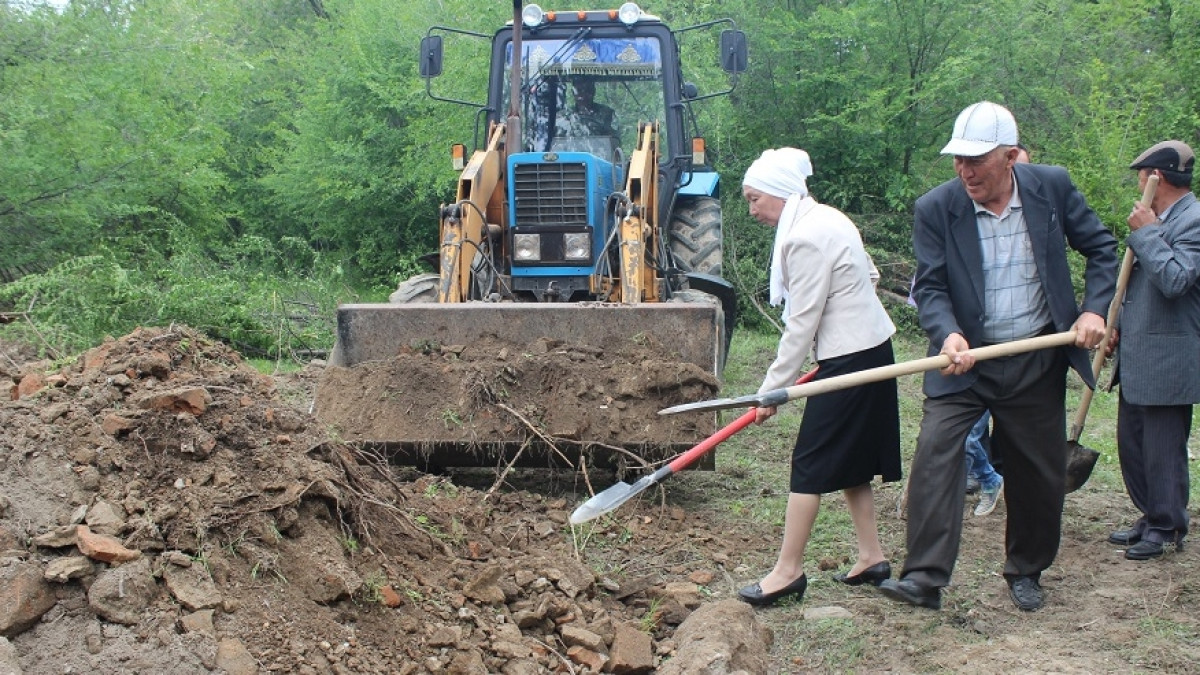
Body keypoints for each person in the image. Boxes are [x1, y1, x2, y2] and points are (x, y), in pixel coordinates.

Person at [879, 101, 1117, 612]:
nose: (965, 172)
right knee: (937, 453)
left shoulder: (1051, 189)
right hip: (964, 361)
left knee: (1037, 470)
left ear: (1010, 156)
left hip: (1035, 356)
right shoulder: (936, 208)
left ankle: (1026, 570)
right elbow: (933, 287)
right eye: (957, 161)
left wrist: (1095, 310)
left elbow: (1102, 250)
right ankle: (923, 577)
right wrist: (948, 335)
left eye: (976, 161)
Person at [735, 148, 902, 607]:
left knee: (809, 461)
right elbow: (869, 273)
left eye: (754, 199)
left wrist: (774, 388)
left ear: (779, 191)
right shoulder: (829, 217)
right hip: (870, 350)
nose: (752, 211)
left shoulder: (805, 237)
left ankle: (787, 572)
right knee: (855, 460)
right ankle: (872, 556)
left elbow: (802, 321)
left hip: (850, 360)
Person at [1105, 140, 1200, 560]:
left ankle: (1167, 526)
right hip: (1139, 353)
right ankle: (1151, 516)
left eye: (1141, 177)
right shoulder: (1162, 218)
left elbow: (1176, 280)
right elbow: (1138, 289)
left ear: (1155, 178)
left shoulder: (1194, 220)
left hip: (1169, 360)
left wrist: (1148, 233)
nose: (1138, 185)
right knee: (1134, 445)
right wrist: (1117, 327)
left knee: (1162, 449)